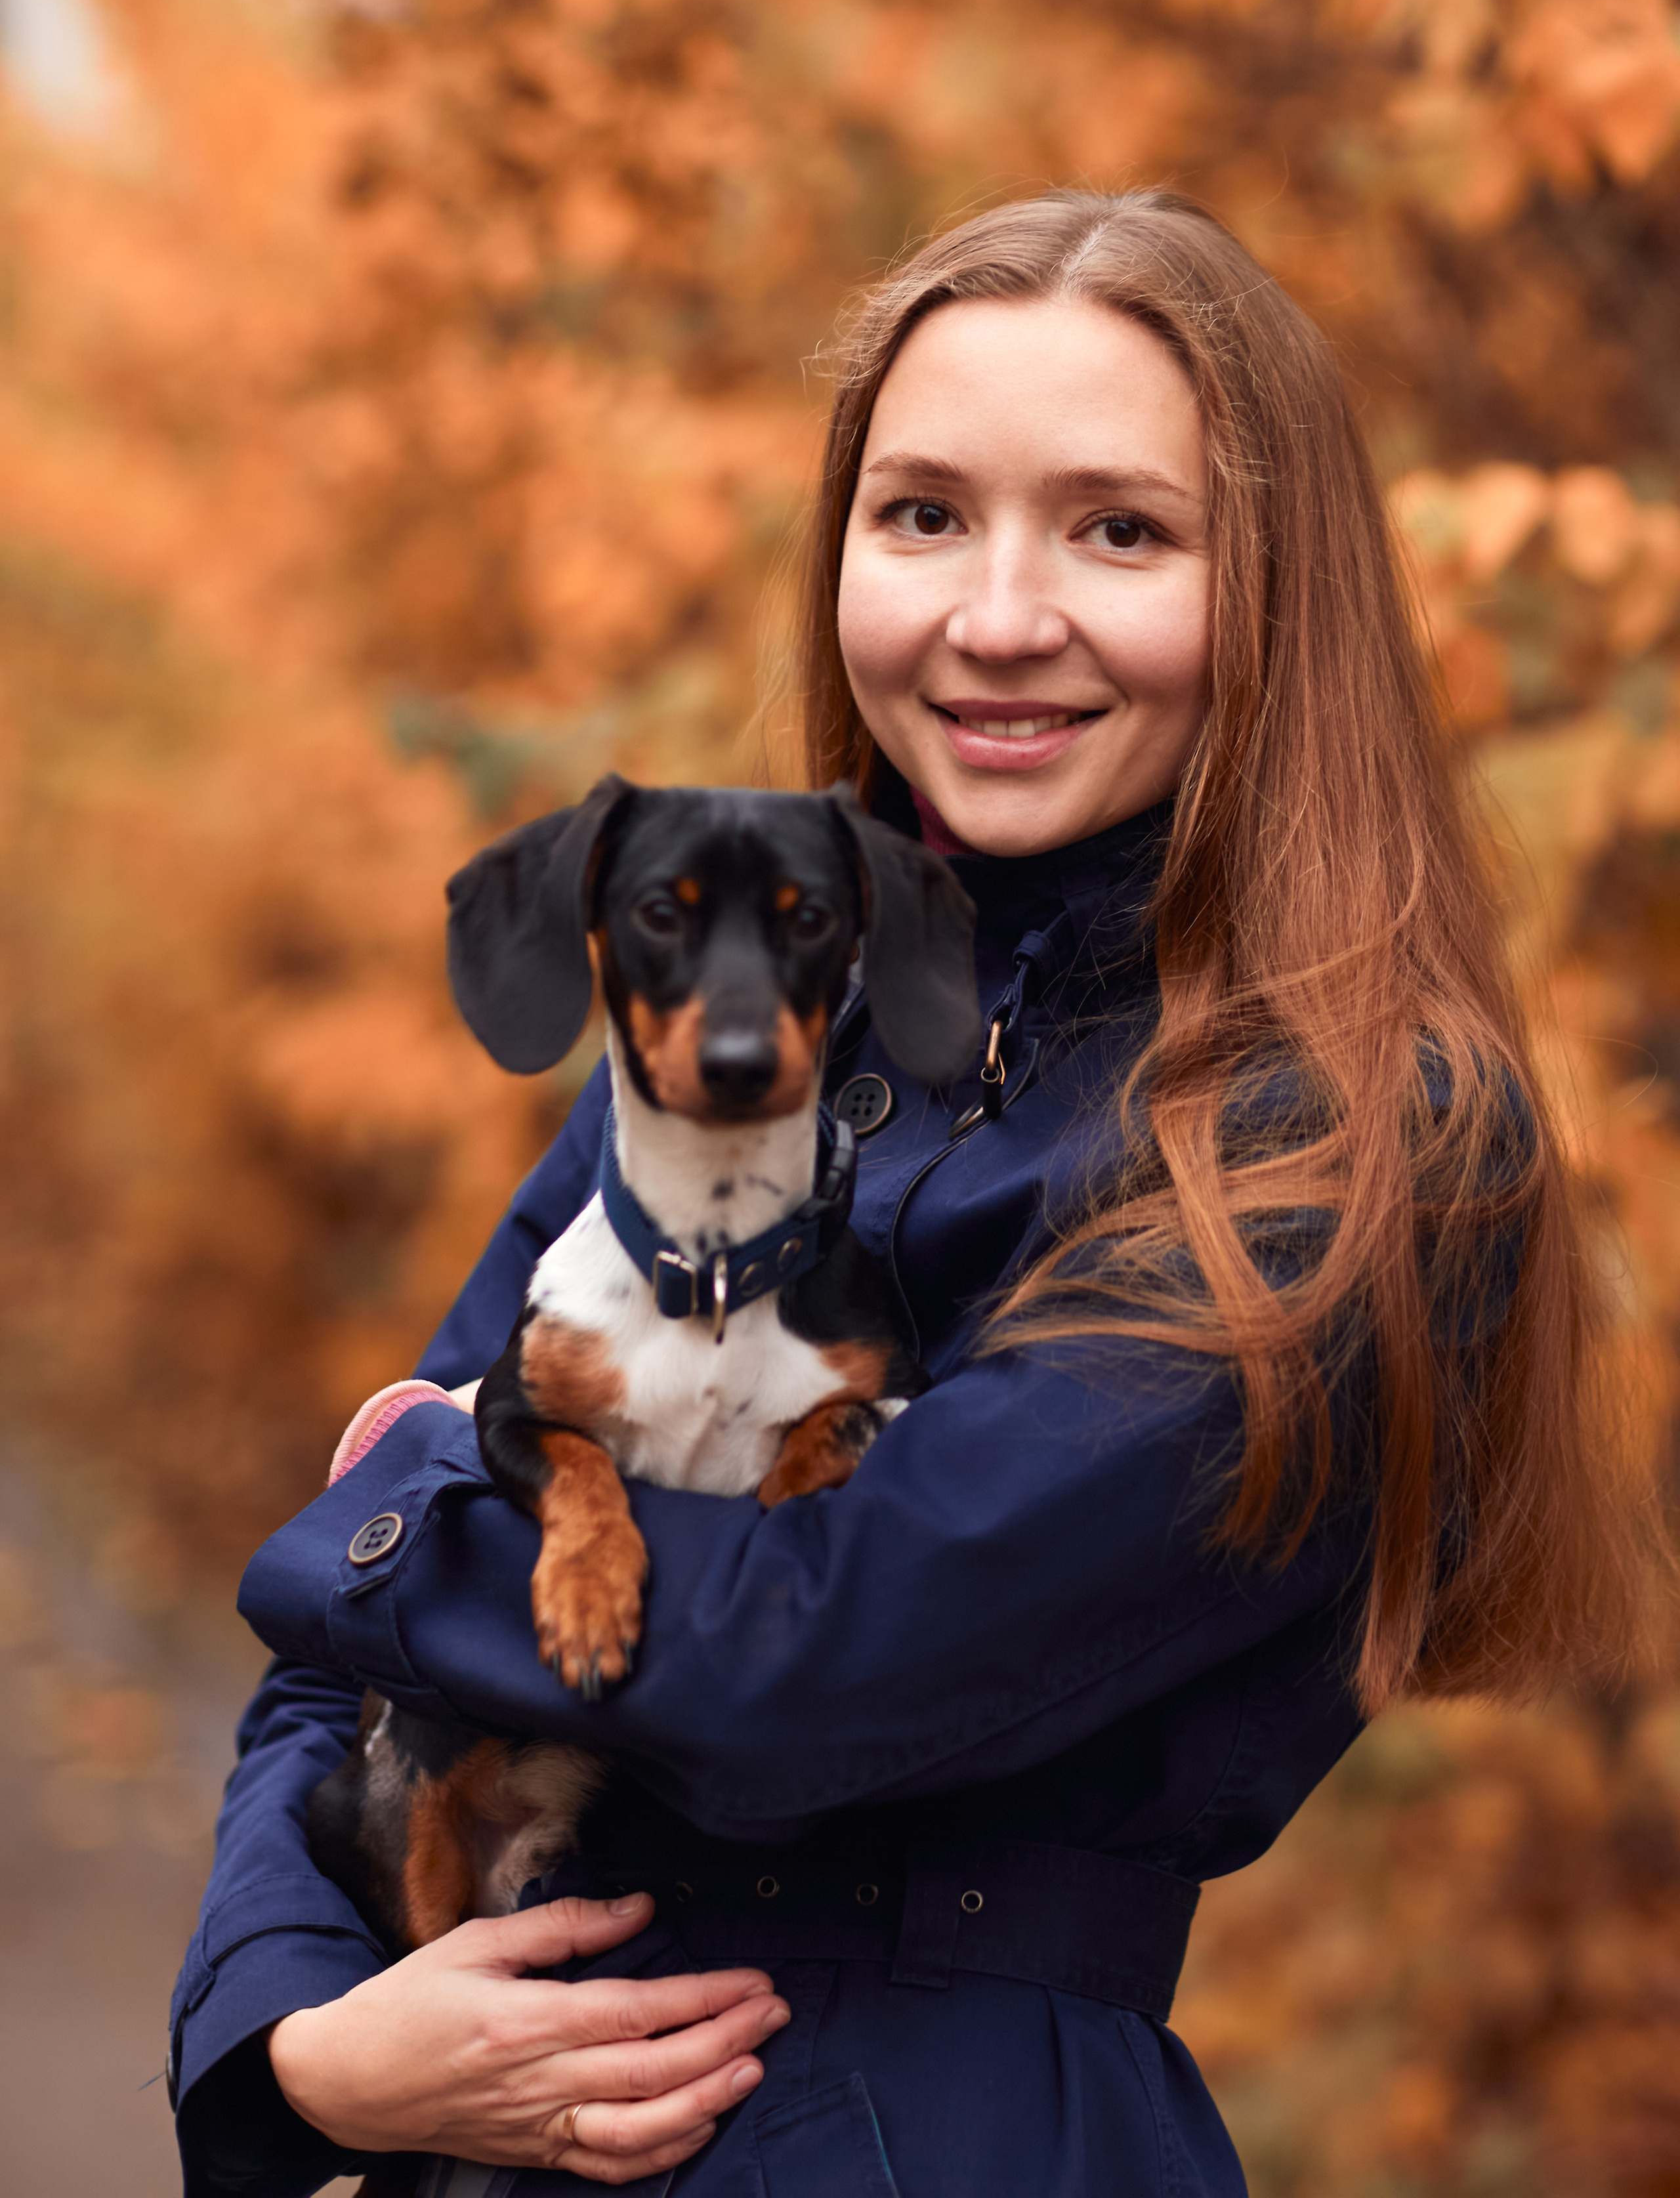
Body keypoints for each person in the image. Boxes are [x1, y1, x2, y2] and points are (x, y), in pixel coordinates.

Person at [171, 190, 1661, 2197]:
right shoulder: (730, 1037)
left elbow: (826, 1658)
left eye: (1120, 529)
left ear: (1273, 594)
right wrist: (306, 2042)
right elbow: (342, 1687)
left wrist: (382, 1514)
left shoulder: (1343, 1136)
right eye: (925, 515)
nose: (996, 614)